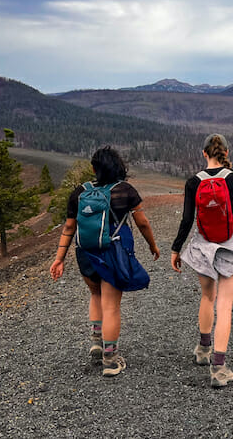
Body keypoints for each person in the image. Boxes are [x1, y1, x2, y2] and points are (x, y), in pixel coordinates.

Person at [171, 134, 233, 388]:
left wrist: (176, 249)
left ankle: (203, 349)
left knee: (208, 296)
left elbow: (187, 221)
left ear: (204, 153)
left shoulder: (193, 182)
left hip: (204, 245)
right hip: (230, 245)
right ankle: (218, 368)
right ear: (226, 153)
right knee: (225, 304)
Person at [49, 147, 161, 376]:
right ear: (119, 166)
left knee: (95, 294)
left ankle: (96, 342)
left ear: (94, 169)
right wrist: (152, 245)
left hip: (85, 253)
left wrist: (59, 259)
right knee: (111, 305)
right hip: (113, 253)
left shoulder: (79, 192)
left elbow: (69, 227)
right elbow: (142, 223)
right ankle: (110, 359)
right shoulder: (125, 191)